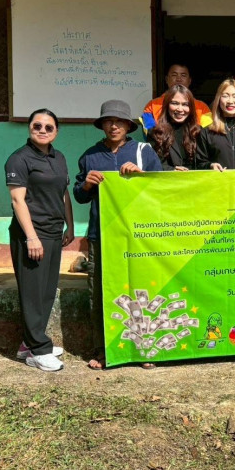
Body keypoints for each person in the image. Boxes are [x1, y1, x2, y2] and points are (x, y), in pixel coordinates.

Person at [74, 100, 163, 370]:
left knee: (141, 289)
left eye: (119, 121)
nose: (114, 126)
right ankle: (103, 350)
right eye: (108, 121)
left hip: (136, 234)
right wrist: (86, 185)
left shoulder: (143, 151)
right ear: (102, 125)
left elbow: (159, 189)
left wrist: (140, 175)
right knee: (100, 292)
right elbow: (79, 196)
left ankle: (144, 348)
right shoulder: (90, 156)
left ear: (128, 126)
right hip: (101, 234)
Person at [5, 108, 74, 372]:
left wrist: (70, 224)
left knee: (46, 291)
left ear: (56, 131)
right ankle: (39, 350)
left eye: (48, 127)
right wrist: (31, 237)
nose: (43, 131)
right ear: (29, 128)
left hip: (54, 232)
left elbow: (64, 193)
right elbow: (17, 200)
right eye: (37, 126)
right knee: (33, 294)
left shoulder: (59, 157)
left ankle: (28, 344)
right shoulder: (19, 159)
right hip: (32, 234)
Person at [141, 63, 212, 137]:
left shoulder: (202, 108)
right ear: (166, 79)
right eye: (174, 75)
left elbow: (207, 135)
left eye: (183, 75)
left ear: (189, 81)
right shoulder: (152, 106)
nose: (179, 79)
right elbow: (150, 132)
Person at [149, 85, 202, 171]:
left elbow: (204, 161)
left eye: (185, 104)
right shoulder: (156, 132)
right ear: (167, 105)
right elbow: (154, 163)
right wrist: (172, 170)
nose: (180, 109)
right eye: (175, 103)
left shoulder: (199, 131)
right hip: (170, 178)